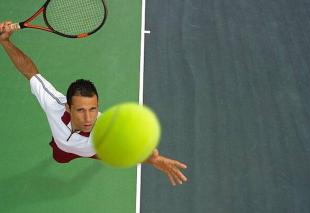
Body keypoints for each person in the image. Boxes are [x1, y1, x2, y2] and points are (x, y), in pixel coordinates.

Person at [0, 21, 187, 186]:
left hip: (97, 150)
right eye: (81, 110)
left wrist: (153, 160)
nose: (89, 118)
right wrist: (5, 42)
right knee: (59, 158)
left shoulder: (105, 130)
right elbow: (30, 72)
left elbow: (129, 148)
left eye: (93, 109)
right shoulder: (53, 105)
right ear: (67, 107)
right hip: (62, 147)